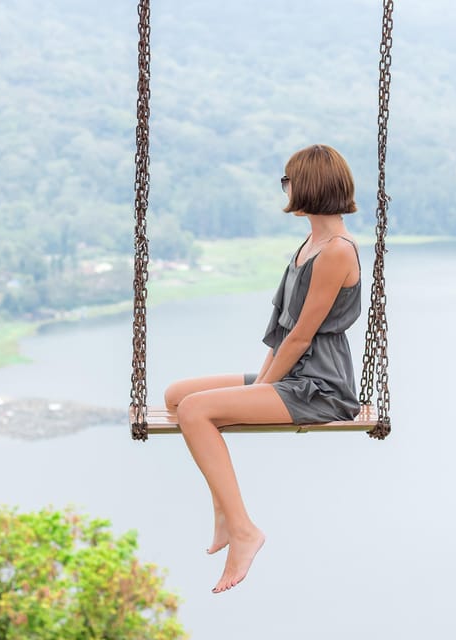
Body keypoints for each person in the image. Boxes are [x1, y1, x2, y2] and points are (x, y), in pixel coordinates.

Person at [163, 144, 362, 593]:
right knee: (177, 396)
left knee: (195, 412)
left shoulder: (337, 252)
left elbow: (301, 336)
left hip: (320, 385)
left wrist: (262, 388)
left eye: (287, 179)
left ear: (308, 185)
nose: (285, 187)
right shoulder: (311, 243)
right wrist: (263, 380)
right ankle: (223, 512)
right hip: (292, 374)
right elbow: (282, 331)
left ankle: (244, 529)